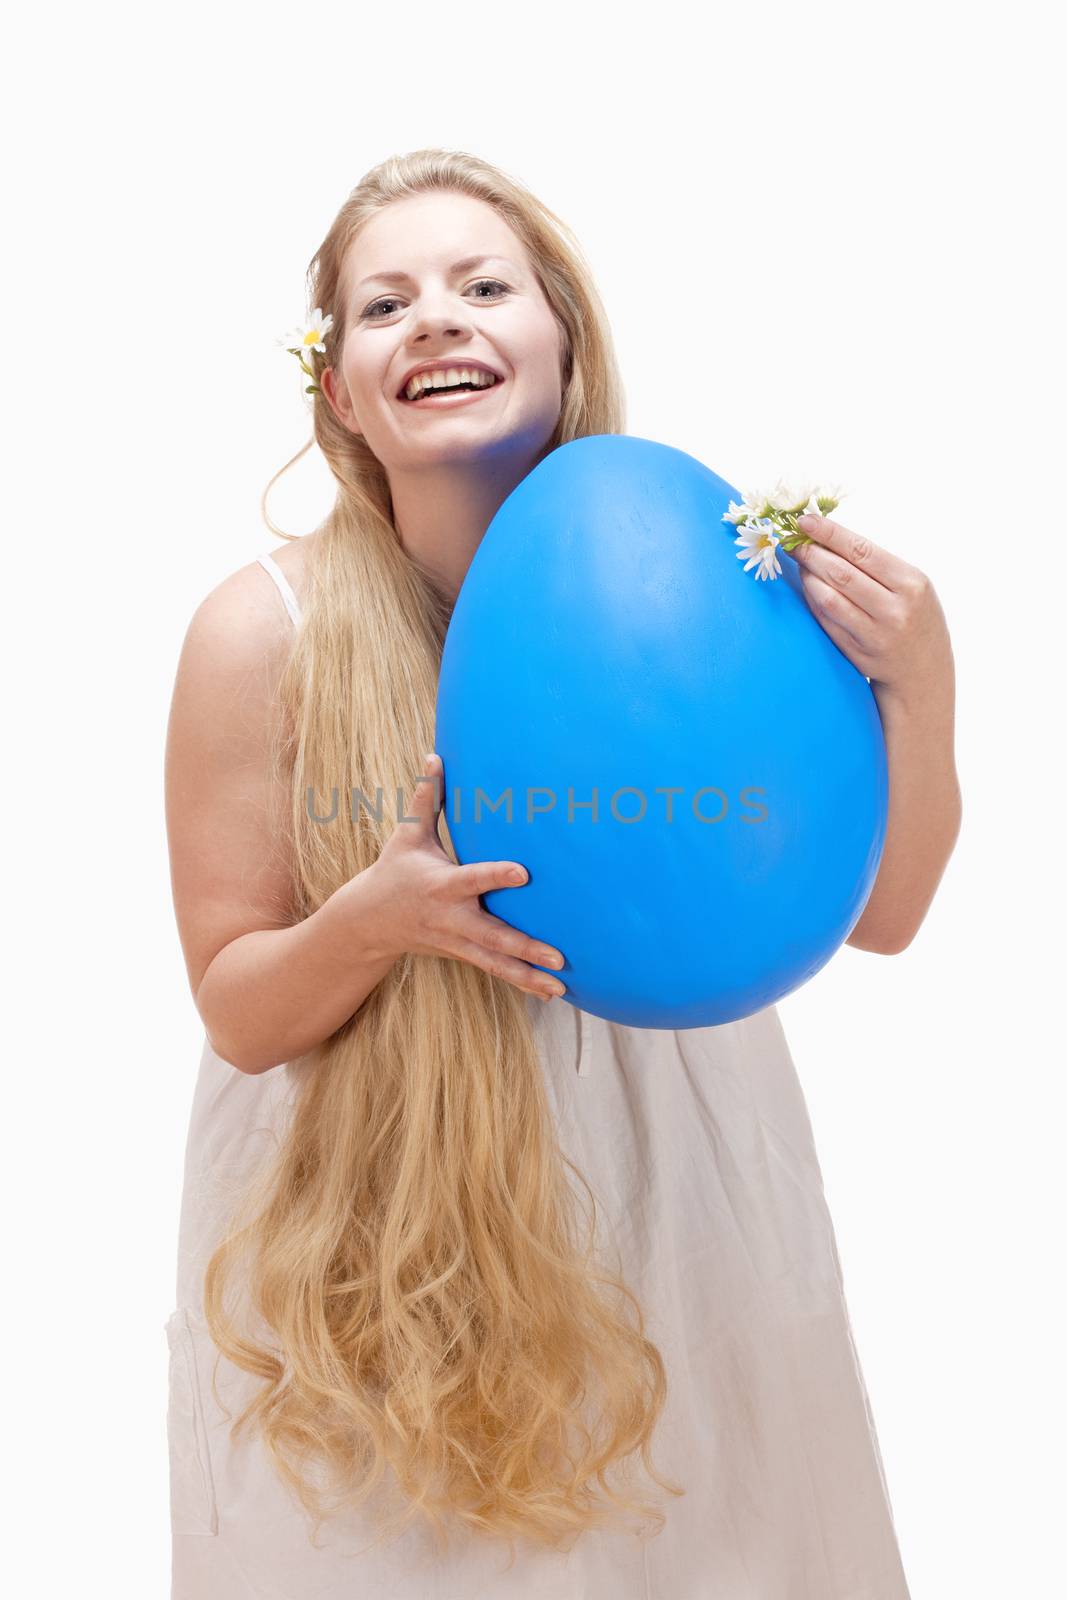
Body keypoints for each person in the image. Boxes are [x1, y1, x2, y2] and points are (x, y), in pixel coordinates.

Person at [164, 147, 957, 1597]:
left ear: (564, 339)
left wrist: (923, 690)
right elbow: (238, 1008)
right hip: (365, 1236)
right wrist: (376, 924)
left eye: (483, 285)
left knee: (705, 1544)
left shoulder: (724, 587)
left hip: (667, 1189)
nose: (437, 319)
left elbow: (883, 917)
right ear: (339, 391)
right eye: (383, 304)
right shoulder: (259, 634)